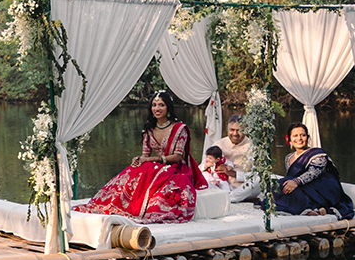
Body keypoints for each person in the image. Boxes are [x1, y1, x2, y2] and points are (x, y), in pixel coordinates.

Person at [76, 89, 206, 224]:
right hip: (155, 166)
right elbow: (146, 154)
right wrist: (139, 159)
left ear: (168, 107)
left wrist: (151, 160)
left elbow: (178, 157)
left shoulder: (179, 129)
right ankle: (115, 204)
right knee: (133, 171)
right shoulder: (149, 129)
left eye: (161, 105)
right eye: (154, 105)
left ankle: (143, 209)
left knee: (151, 169)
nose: (157, 108)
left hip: (174, 168)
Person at [272, 122, 355, 219]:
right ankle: (315, 209)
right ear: (289, 139)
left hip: (322, 188)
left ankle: (316, 207)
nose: (299, 138)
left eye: (303, 135)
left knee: (283, 184)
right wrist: (291, 183)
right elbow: (291, 177)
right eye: (295, 136)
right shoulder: (288, 158)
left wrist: (296, 181)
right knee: (277, 186)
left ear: (307, 137)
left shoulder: (317, 154)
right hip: (304, 187)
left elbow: (313, 173)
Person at [215, 114, 259, 203]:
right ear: (227, 129)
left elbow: (257, 174)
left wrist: (234, 174)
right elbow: (204, 165)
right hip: (224, 185)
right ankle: (229, 196)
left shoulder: (253, 146)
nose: (235, 134)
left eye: (239, 130)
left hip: (245, 187)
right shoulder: (219, 144)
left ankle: (229, 198)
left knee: (260, 179)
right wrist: (214, 167)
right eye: (232, 130)